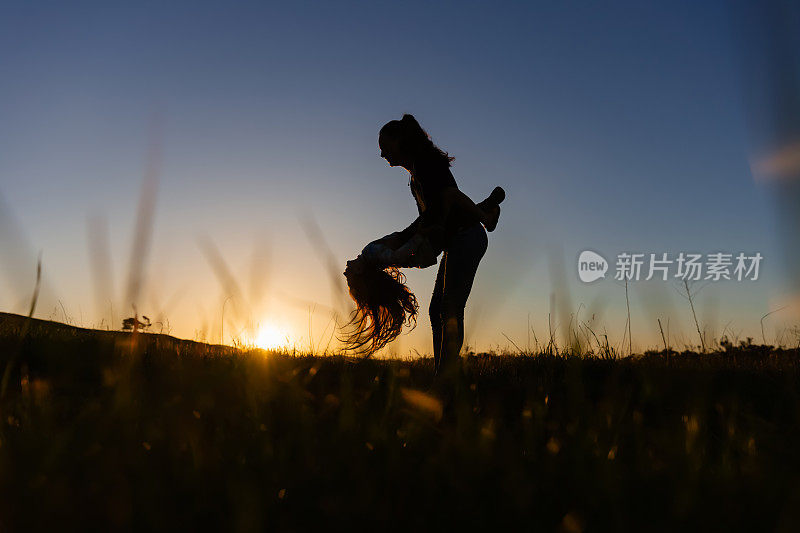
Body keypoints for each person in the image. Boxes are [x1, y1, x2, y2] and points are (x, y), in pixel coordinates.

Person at [342, 114, 504, 373]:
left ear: (399, 141)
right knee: (436, 309)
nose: (381, 153)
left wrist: (408, 239)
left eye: (384, 146)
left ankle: (445, 381)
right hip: (457, 237)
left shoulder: (425, 165)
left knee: (450, 308)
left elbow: (445, 201)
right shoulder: (417, 174)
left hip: (467, 237)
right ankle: (442, 375)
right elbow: (427, 218)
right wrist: (400, 239)